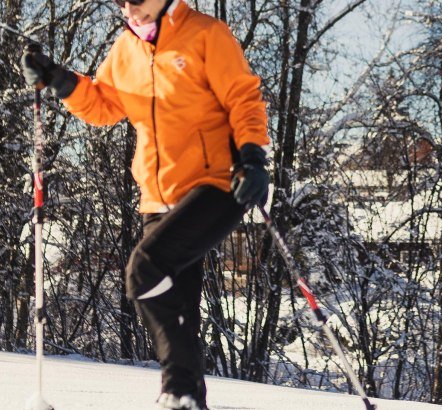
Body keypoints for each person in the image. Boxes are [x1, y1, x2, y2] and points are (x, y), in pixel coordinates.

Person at [21, 0, 270, 408]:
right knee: (180, 307)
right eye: (121, 2)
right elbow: (103, 105)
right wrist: (59, 80)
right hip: (158, 196)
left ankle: (176, 389)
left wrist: (253, 156)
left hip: (216, 184)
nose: (129, 9)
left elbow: (243, 98)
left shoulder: (206, 34)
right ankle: (189, 397)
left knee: (144, 270)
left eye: (136, 0)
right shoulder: (126, 49)